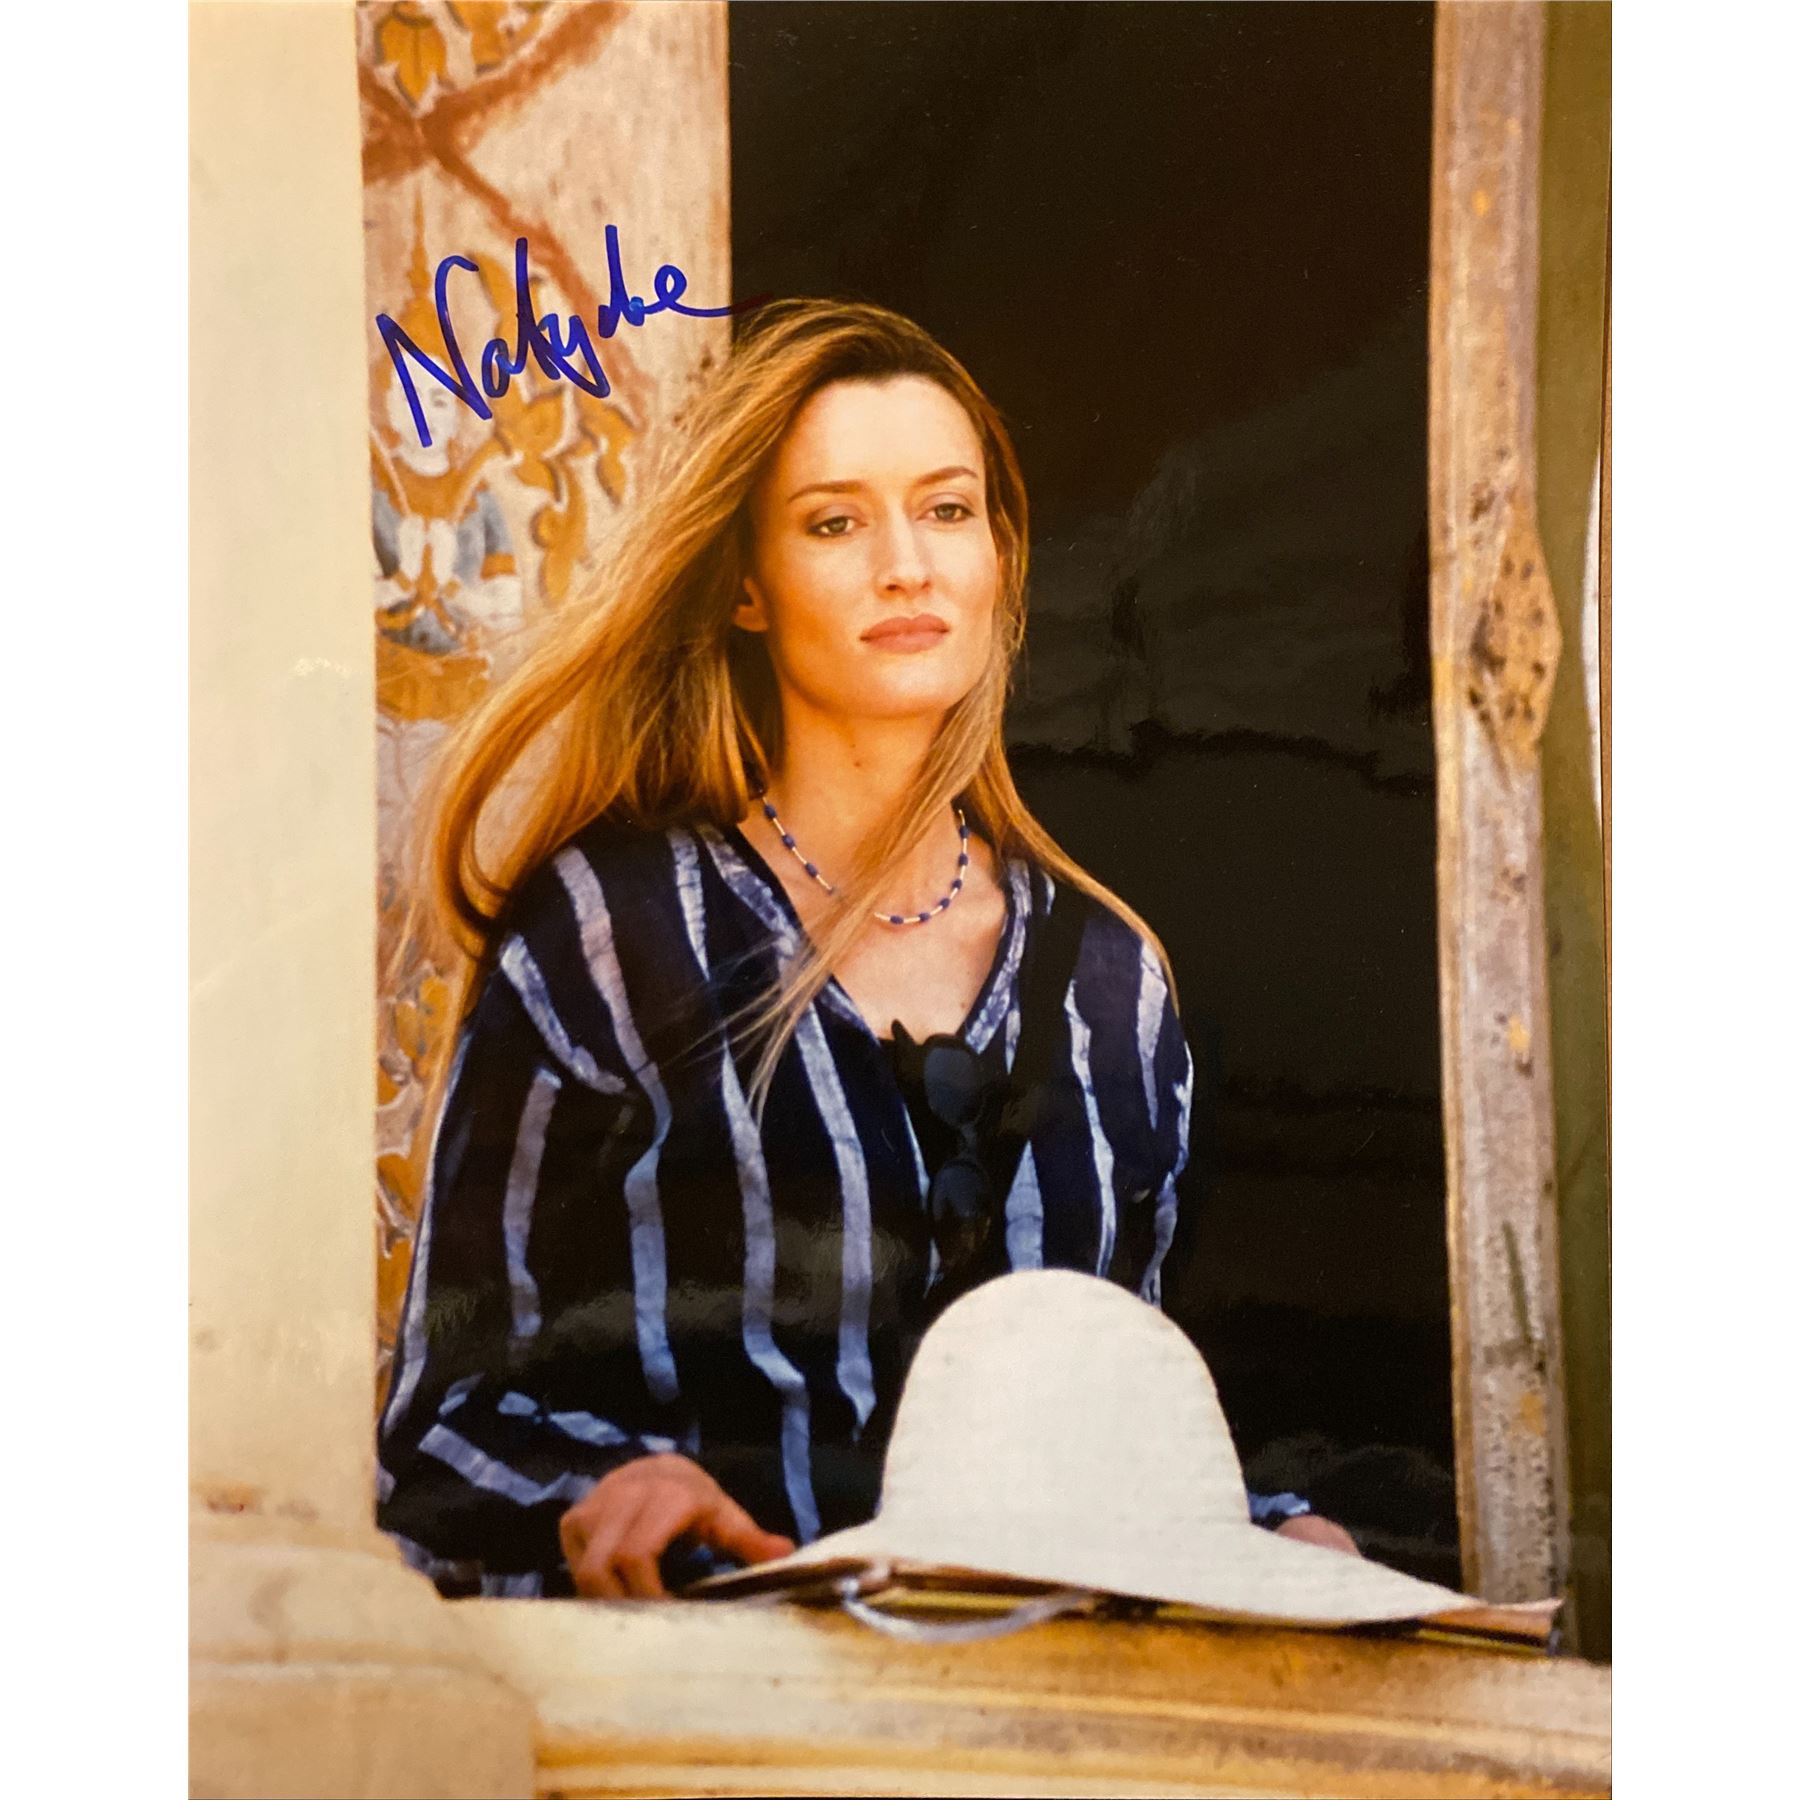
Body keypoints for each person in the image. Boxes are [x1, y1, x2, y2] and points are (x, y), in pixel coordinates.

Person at [376, 298, 1359, 1599]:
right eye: (835, 523)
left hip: (1038, 1705)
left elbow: (1136, 1433)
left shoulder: (1116, 988)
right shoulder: (612, 937)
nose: (907, 566)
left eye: (947, 511)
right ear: (745, 584)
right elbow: (438, 1434)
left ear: (999, 557)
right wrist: (608, 1491)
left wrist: (1278, 1530)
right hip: (707, 1694)